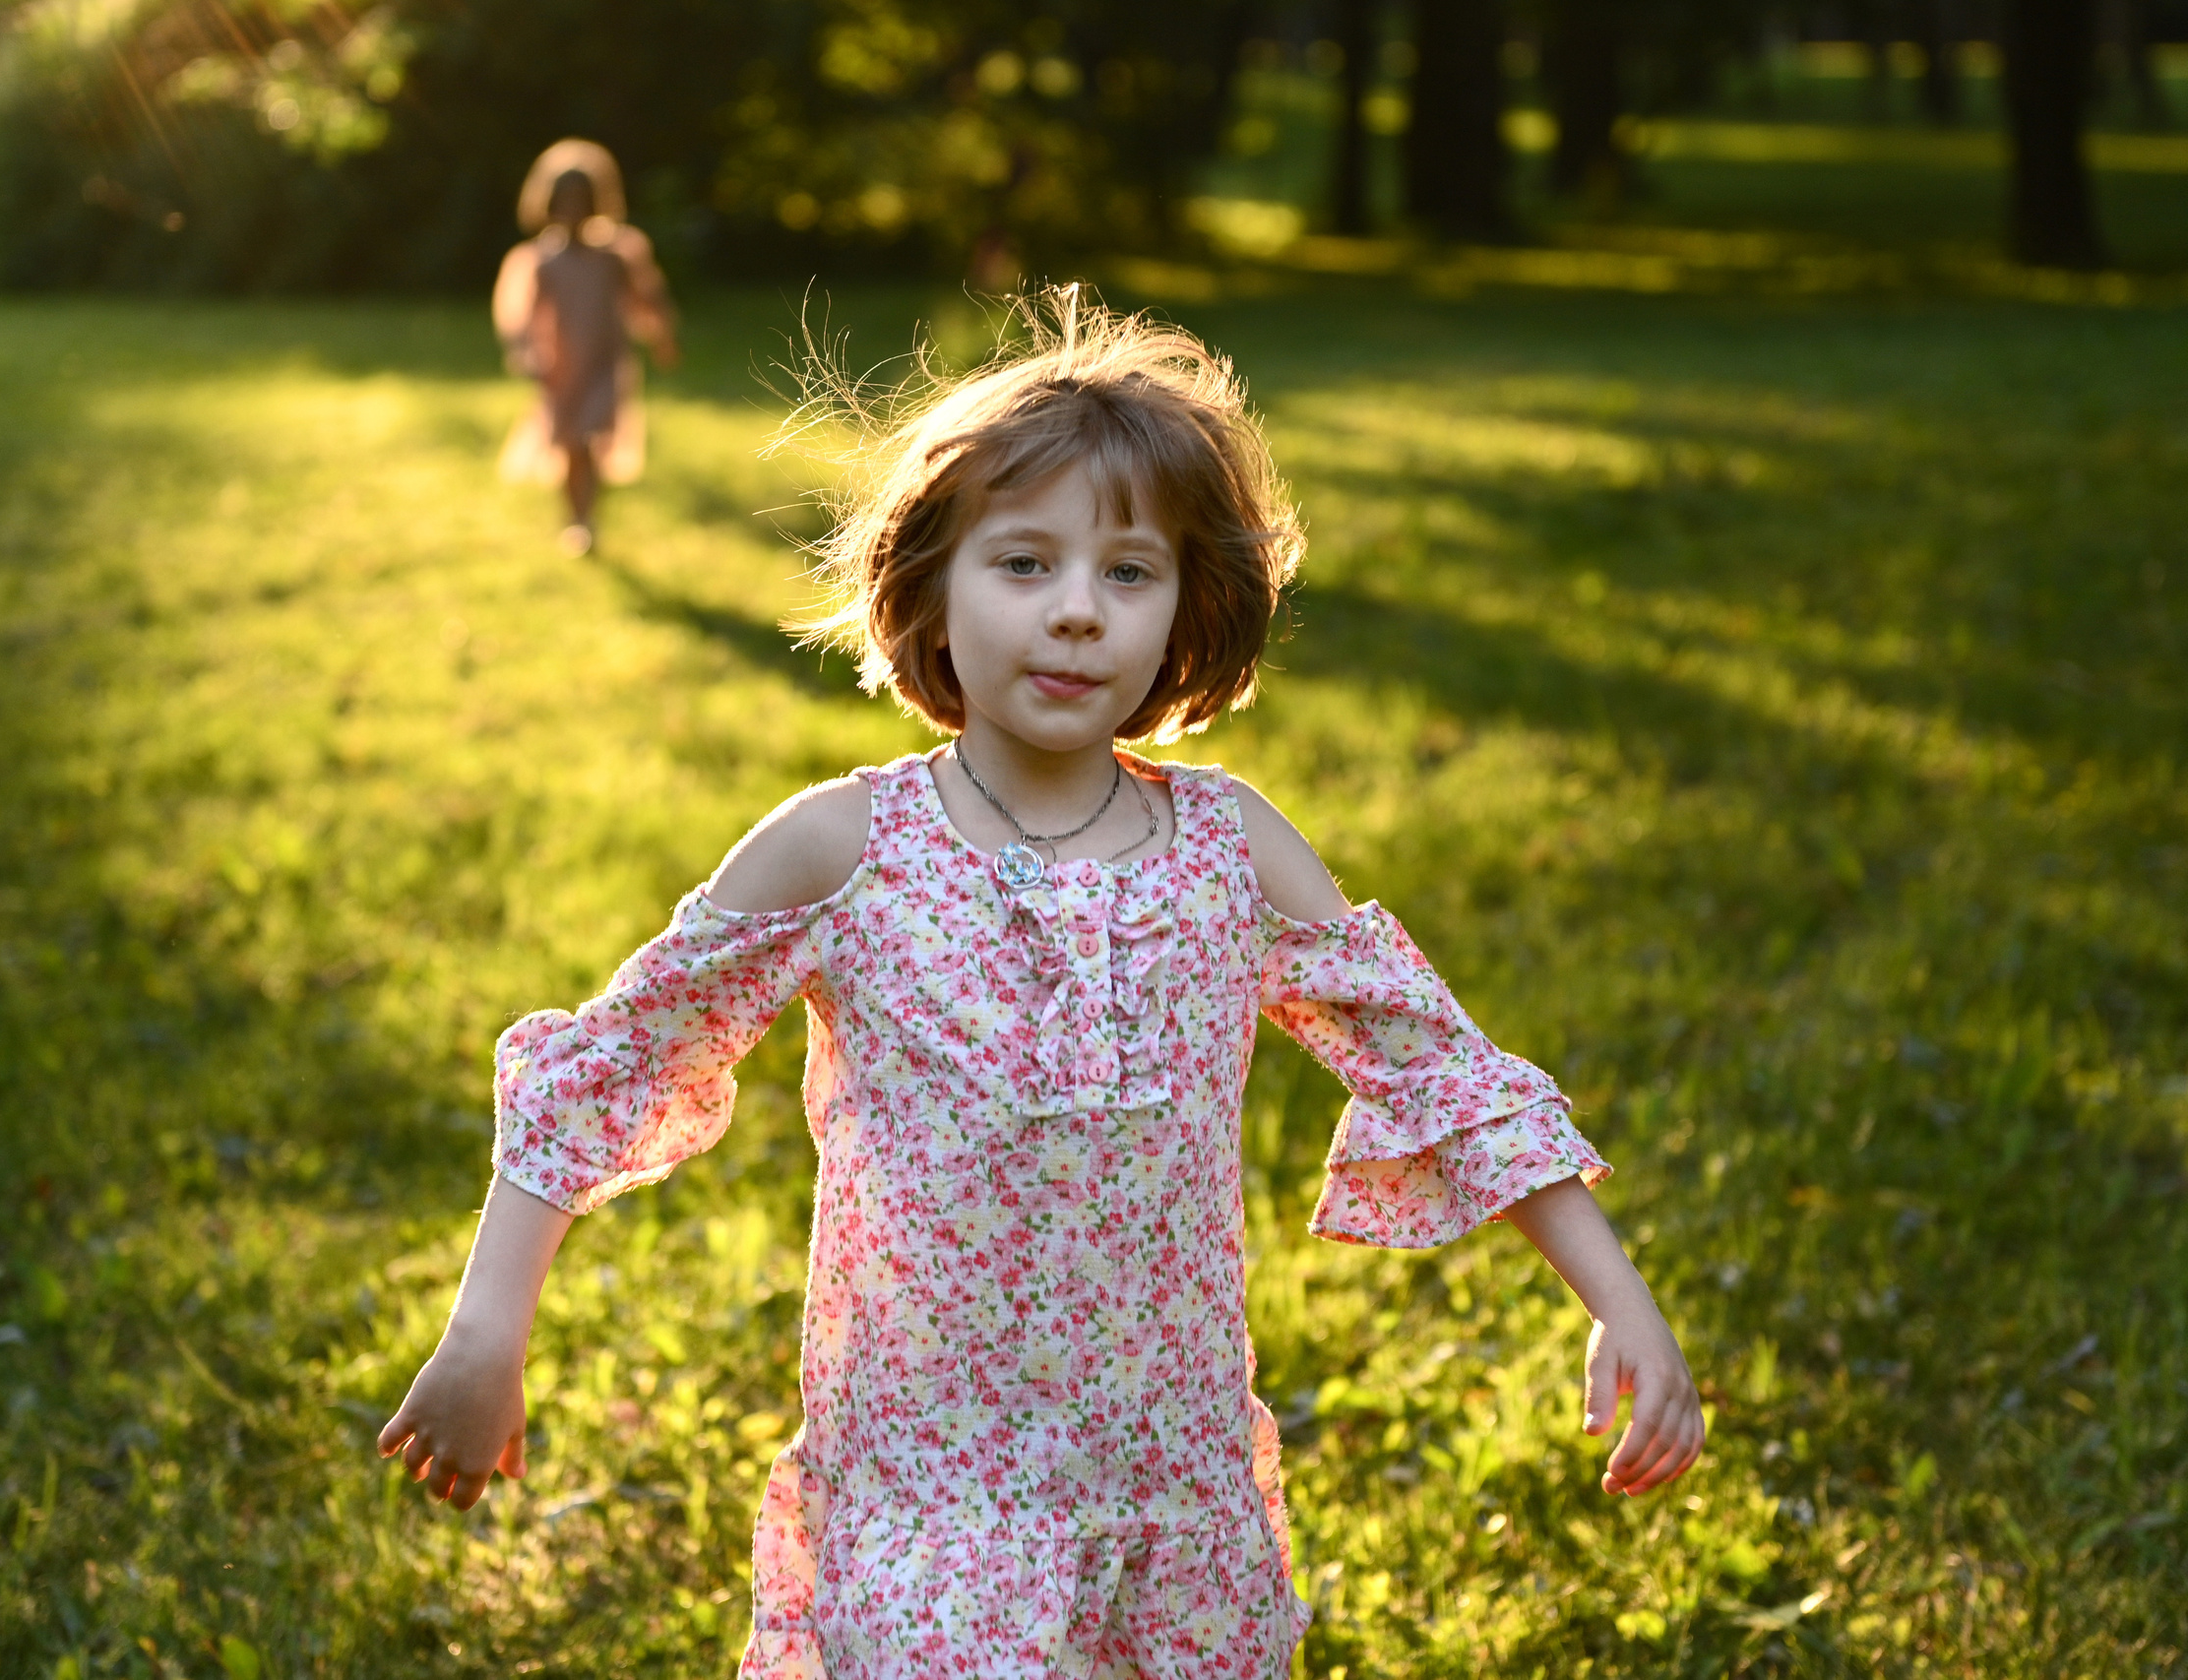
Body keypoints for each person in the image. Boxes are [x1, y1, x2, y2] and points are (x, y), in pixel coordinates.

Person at [379, 290, 1706, 1678]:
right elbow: (606, 1072)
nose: (1077, 612)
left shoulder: (1230, 848)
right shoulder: (845, 848)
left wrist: (1622, 1297)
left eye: (1129, 573)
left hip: (1166, 1478)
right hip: (930, 1488)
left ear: (1192, 606)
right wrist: (488, 1332)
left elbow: (1440, 1067)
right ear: (932, 586)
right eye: (1024, 563)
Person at [492, 138, 678, 556]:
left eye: (582, 200)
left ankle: (586, 519)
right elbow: (519, 313)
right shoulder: (541, 259)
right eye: (565, 200)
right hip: (561, 368)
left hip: (605, 364)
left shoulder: (616, 253)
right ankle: (574, 518)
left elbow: (646, 298)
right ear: (549, 203)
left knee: (593, 437)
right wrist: (526, 351)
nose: (574, 209)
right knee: (571, 444)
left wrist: (662, 337)